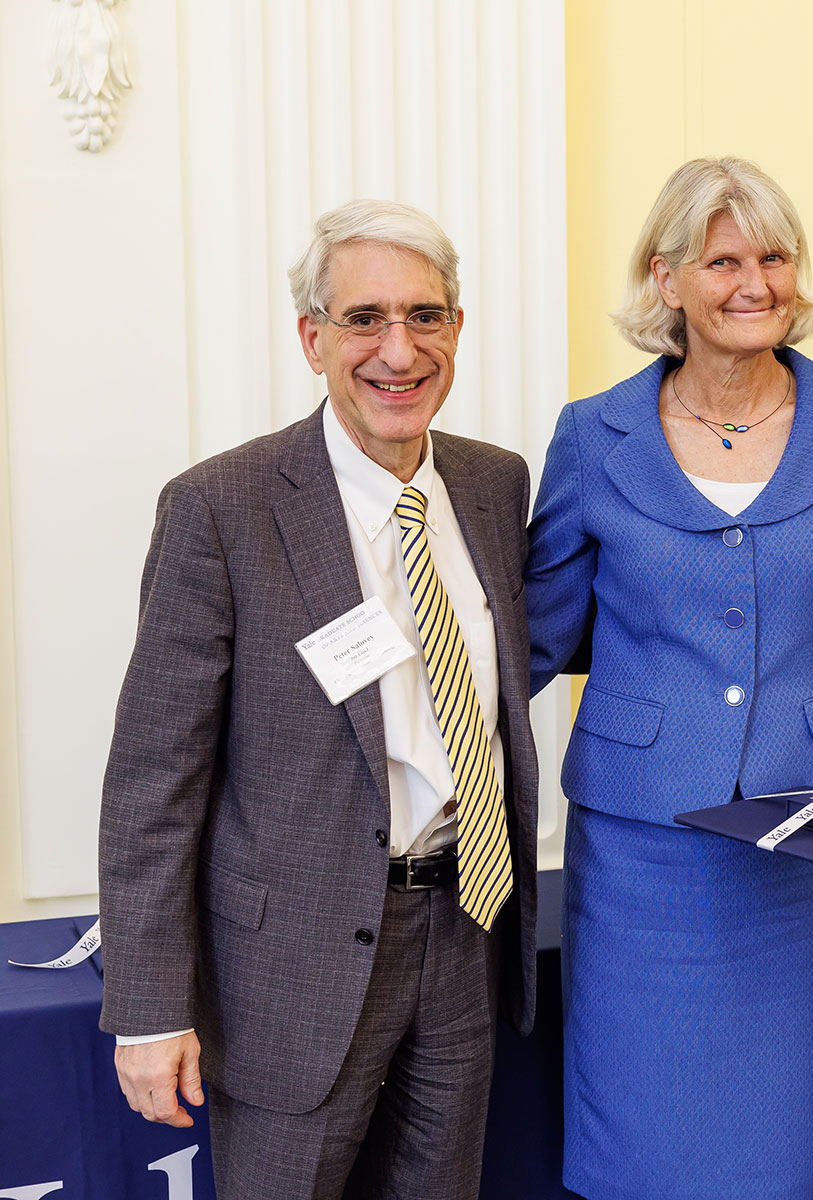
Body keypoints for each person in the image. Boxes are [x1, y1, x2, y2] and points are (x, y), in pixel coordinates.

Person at [97, 199, 539, 1198]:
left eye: (426, 316)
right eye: (364, 319)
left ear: (457, 331)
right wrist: (151, 1005)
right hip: (289, 966)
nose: (399, 349)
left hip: (465, 930)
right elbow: (151, 782)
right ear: (312, 338)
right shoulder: (222, 508)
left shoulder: (493, 486)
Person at [524, 156, 813, 1200]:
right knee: (640, 1142)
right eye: (723, 261)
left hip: (806, 851)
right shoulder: (594, 434)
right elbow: (537, 632)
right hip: (640, 856)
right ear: (667, 281)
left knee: (783, 1145)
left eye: (774, 256)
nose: (754, 283)